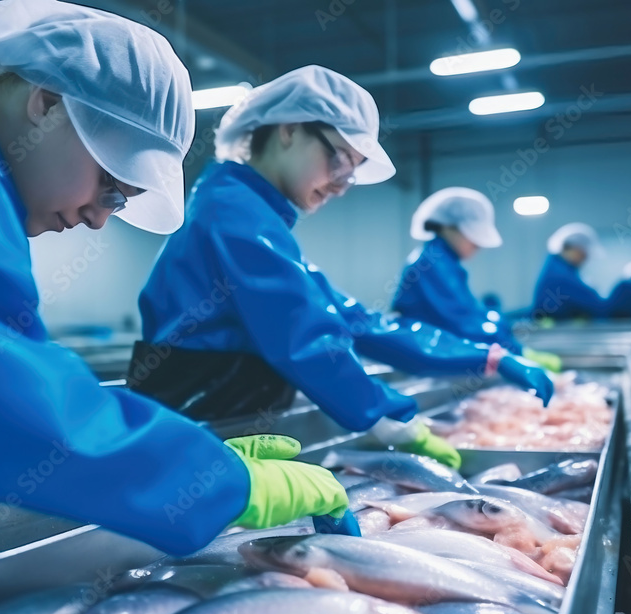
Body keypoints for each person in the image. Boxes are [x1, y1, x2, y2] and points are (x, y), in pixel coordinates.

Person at [0, 0, 346, 604]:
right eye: (110, 186)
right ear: (46, 101)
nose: (99, 219)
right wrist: (209, 479)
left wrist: (193, 455)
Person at [129, 66, 553, 467]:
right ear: (290, 129)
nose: (340, 185)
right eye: (340, 160)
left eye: (352, 173)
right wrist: (386, 415)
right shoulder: (234, 213)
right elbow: (304, 335)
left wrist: (486, 357)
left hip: (223, 417)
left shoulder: (252, 214)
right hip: (196, 426)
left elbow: (354, 319)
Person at [392, 188, 561, 372]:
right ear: (448, 227)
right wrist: (514, 351)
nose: (478, 244)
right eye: (472, 235)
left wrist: (509, 342)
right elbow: (463, 323)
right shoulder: (432, 263)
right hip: (425, 360)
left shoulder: (444, 262)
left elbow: (473, 314)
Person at [532, 223, 609, 321]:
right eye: (583, 255)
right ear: (572, 249)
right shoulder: (560, 276)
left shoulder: (557, 267)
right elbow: (597, 306)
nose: (584, 260)